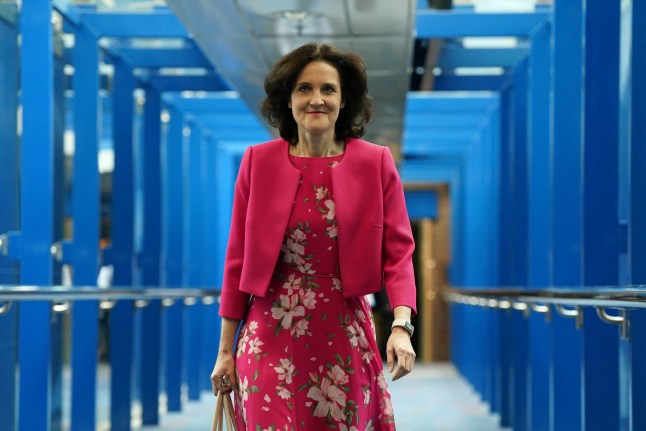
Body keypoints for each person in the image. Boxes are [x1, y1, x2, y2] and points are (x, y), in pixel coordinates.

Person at [211, 43, 417, 431]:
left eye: (328, 89)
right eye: (304, 89)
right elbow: (236, 260)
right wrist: (224, 352)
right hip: (267, 334)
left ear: (344, 101)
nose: (316, 99)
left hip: (344, 334)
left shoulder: (375, 162)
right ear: (288, 101)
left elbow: (399, 254)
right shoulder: (257, 162)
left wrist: (401, 326)